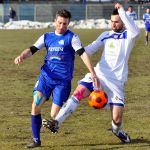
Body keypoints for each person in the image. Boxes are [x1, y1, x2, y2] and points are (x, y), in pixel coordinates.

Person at [42, 3, 140, 143]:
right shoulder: (105, 35)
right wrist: (74, 48)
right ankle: (56, 122)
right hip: (99, 74)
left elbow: (136, 31)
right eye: (111, 21)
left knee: (117, 120)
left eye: (116, 22)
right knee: (78, 92)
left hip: (116, 82)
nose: (113, 24)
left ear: (123, 21)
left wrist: (122, 11)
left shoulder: (129, 36)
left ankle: (117, 131)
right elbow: (89, 50)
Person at [14, 9, 99, 148]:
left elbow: (83, 54)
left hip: (62, 82)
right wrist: (22, 56)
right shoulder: (46, 36)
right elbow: (32, 49)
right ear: (55, 21)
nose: (62, 26)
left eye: (65, 24)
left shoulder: (72, 38)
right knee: (35, 105)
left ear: (68, 23)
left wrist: (93, 73)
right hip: (46, 78)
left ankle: (55, 123)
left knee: (54, 115)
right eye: (60, 23)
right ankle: (36, 140)